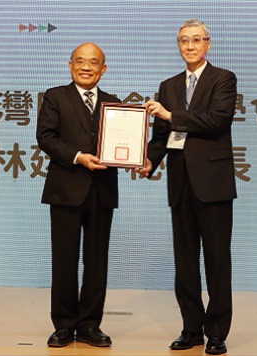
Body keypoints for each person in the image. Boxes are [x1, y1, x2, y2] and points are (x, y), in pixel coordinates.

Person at [136, 19, 237, 355]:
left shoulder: (223, 79)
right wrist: (150, 160)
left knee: (217, 260)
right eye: (183, 41)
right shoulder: (169, 85)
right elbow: (162, 137)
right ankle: (191, 328)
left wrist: (170, 114)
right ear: (178, 45)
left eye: (196, 40)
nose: (190, 46)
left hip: (213, 184)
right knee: (185, 262)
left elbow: (216, 119)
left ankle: (218, 332)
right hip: (180, 184)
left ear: (208, 44)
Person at [36, 42, 121, 348]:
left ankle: (89, 325)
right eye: (81, 61)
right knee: (64, 261)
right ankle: (63, 325)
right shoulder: (56, 97)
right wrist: (78, 156)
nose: (87, 67)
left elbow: (123, 143)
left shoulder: (114, 104)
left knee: (97, 262)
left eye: (94, 62)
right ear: (70, 65)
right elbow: (45, 137)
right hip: (65, 190)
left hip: (102, 191)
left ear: (103, 69)